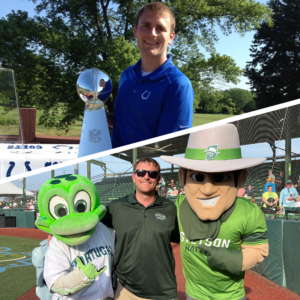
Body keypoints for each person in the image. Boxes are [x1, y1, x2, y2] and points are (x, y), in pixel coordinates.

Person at [161, 124, 268, 300]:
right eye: (198, 177)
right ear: (182, 177)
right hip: (194, 295)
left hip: (231, 296)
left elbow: (259, 251)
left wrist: (228, 259)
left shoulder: (249, 211)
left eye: (220, 177)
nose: (208, 189)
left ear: (239, 178)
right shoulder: (180, 205)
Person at [107, 2, 194, 148]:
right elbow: (125, 123)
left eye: (160, 28)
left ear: (171, 37)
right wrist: (96, 114)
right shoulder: (127, 75)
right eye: (146, 25)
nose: (152, 33)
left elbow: (168, 148)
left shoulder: (178, 85)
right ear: (135, 31)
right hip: (111, 164)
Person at [101, 157, 179, 300]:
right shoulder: (115, 207)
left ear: (159, 178)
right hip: (126, 290)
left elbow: (179, 238)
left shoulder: (170, 208)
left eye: (152, 174)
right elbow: (91, 226)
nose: (146, 177)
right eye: (141, 172)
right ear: (134, 176)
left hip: (164, 290)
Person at [36, 175, 115, 300]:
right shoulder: (58, 243)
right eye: (60, 211)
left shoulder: (104, 229)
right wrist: (82, 276)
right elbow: (55, 283)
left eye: (81, 207)